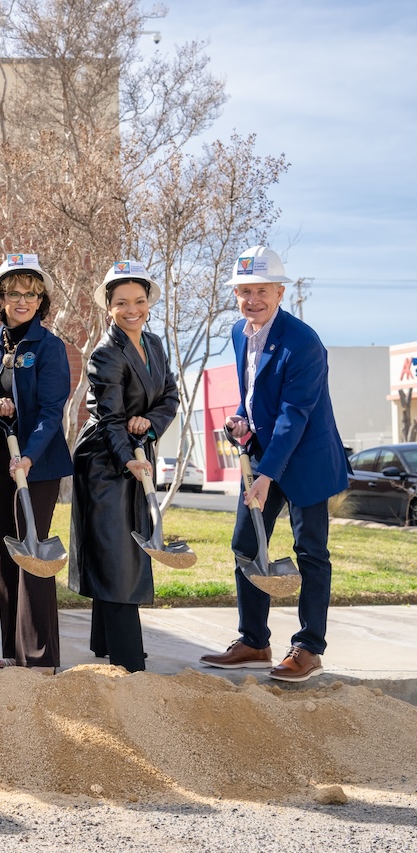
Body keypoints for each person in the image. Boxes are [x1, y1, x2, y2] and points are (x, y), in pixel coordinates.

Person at [199, 246, 349, 682]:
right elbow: (254, 391)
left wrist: (267, 476)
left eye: (261, 290)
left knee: (311, 553)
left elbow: (294, 415)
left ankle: (308, 648)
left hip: (307, 459)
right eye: (244, 291)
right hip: (264, 452)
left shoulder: (303, 342)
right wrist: (241, 419)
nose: (253, 300)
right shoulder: (239, 332)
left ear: (280, 292)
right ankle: (253, 641)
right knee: (246, 545)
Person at [68, 260, 179, 673]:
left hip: (135, 451)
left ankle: (105, 642)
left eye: (139, 300)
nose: (132, 309)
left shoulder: (154, 344)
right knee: (116, 552)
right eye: (121, 303)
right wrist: (129, 456)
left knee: (124, 546)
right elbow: (111, 417)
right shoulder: (105, 354)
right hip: (105, 459)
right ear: (109, 307)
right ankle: (129, 658)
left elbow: (169, 396)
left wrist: (149, 425)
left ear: (148, 302)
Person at [0, 254, 72, 673]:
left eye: (32, 293)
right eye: (14, 292)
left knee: (35, 553)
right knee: (6, 554)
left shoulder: (49, 347)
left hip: (38, 464)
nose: (23, 300)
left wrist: (28, 455)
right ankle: (12, 650)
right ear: (0, 297)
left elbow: (52, 410)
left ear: (42, 298)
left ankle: (41, 655)